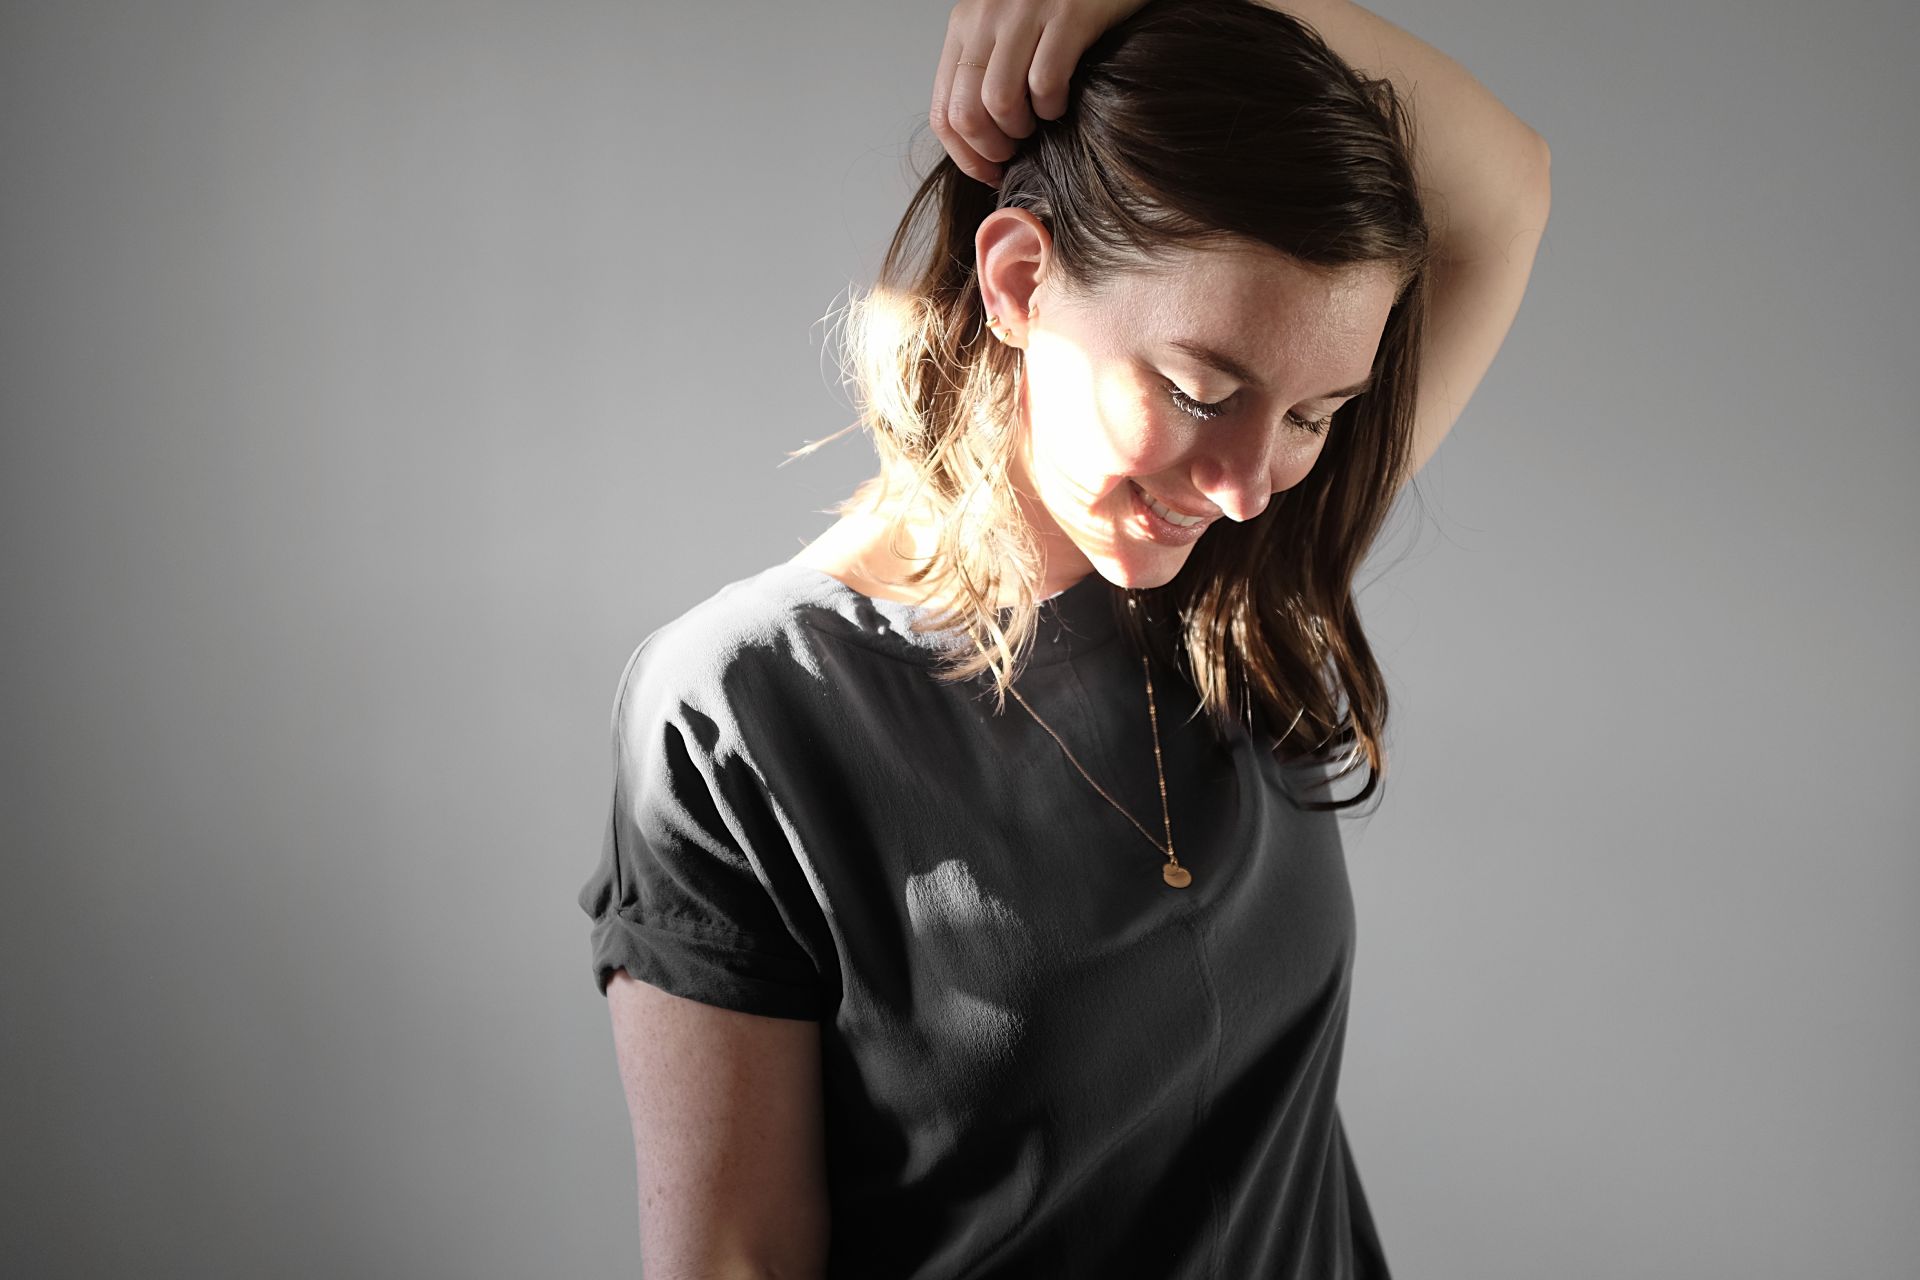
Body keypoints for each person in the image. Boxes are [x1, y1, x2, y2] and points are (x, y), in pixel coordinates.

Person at [577, 0, 1550, 1274]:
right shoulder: (747, 709)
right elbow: (734, 1257)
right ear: (1020, 279)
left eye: (1317, 413)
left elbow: (1504, 190)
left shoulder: (1241, 580)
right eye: (1202, 391)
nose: (1253, 482)